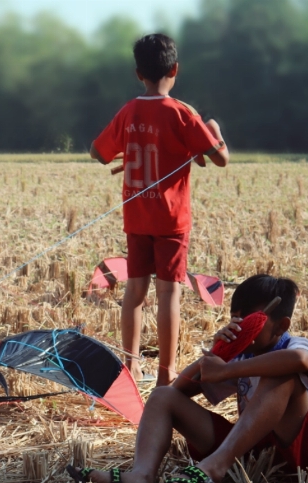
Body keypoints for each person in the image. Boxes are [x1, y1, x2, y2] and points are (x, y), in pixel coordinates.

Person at [66, 275, 308, 483]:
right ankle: (140, 479)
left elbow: (300, 362)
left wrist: (226, 370)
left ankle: (213, 469)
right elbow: (178, 394)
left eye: (250, 322)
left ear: (281, 326)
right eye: (234, 320)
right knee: (162, 395)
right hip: (258, 455)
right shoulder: (239, 356)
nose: (240, 329)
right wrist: (218, 353)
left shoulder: (296, 346)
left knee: (282, 375)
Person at [90, 33, 229, 387]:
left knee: (134, 291)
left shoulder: (128, 111)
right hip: (171, 220)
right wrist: (213, 128)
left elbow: (97, 152)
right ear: (175, 69)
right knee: (169, 293)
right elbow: (219, 159)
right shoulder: (183, 113)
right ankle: (166, 378)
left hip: (136, 217)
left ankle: (132, 368)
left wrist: (129, 150)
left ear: (139, 73)